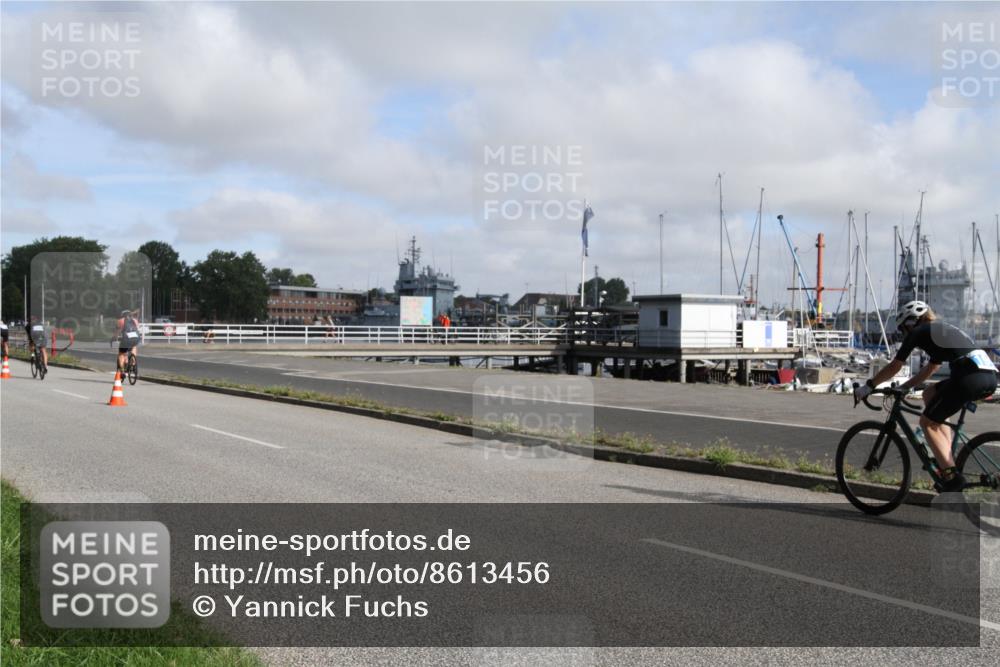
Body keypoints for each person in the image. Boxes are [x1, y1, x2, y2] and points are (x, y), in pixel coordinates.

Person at [855, 300, 998, 492]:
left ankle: (951, 476)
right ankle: (946, 457)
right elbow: (932, 367)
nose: (904, 333)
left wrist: (869, 386)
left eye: (903, 328)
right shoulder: (938, 330)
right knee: (930, 393)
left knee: (926, 423)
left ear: (912, 322)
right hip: (988, 376)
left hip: (968, 377)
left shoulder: (919, 331)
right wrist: (905, 387)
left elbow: (895, 365)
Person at [115, 309, 142, 373]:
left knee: (121, 354)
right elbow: (136, 329)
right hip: (136, 338)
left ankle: (122, 371)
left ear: (122, 315)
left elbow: (117, 333)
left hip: (126, 339)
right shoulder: (135, 320)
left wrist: (114, 338)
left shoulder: (120, 321)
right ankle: (133, 363)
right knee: (133, 347)